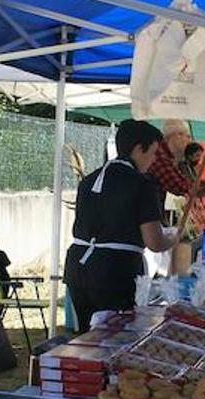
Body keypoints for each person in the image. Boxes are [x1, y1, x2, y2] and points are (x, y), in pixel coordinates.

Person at [64, 119, 178, 329]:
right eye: (153, 153)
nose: (154, 161)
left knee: (86, 340)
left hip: (78, 267)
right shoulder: (142, 184)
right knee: (114, 339)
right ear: (138, 149)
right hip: (115, 271)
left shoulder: (89, 180)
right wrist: (174, 237)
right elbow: (154, 242)